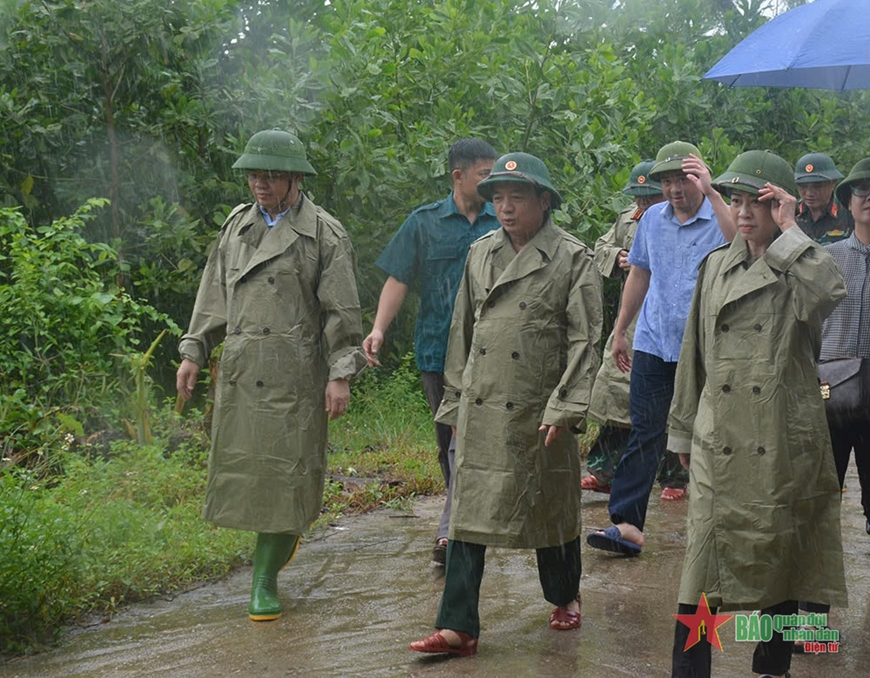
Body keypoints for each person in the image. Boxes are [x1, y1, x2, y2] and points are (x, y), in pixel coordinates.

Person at [408, 152, 602, 657]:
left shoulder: (572, 258)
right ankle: (458, 627)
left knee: (549, 505)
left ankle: (564, 594)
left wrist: (566, 406)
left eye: (517, 197)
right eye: (498, 198)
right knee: (468, 511)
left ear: (544, 201)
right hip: (483, 402)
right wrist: (454, 404)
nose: (506, 208)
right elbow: (462, 332)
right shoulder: (481, 254)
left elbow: (585, 341)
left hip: (541, 408)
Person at [668, 150, 848, 677]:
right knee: (701, 566)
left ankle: (773, 665)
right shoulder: (716, 265)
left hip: (780, 436)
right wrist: (682, 431)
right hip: (718, 435)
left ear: (780, 207)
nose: (744, 213)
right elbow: (694, 353)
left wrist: (791, 231)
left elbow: (830, 291)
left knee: (778, 556)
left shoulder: (800, 264)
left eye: (758, 202)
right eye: (737, 201)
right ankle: (689, 671)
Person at [176, 129, 367, 622]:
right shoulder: (236, 226)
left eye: (272, 175)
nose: (261, 184)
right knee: (249, 473)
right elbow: (214, 295)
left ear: (295, 179)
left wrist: (340, 374)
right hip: (243, 371)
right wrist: (194, 351)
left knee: (287, 476)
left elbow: (341, 312)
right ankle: (272, 554)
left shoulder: (324, 234)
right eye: (254, 175)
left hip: (294, 376)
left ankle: (264, 579)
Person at [586, 141, 734, 557]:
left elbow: (742, 247)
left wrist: (714, 192)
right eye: (667, 182)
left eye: (682, 180)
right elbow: (640, 273)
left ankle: (722, 524)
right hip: (653, 342)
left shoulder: (719, 216)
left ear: (699, 179)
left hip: (703, 349)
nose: (674, 189)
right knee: (645, 431)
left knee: (712, 434)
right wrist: (621, 330)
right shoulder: (651, 219)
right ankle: (627, 524)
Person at [363, 138, 499, 566]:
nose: (493, 182)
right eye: (485, 175)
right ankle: (461, 519)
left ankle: (453, 530)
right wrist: (378, 329)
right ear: (458, 176)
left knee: (473, 439)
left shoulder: (503, 218)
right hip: (438, 348)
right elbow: (398, 279)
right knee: (448, 441)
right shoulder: (424, 223)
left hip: (493, 349)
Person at [584, 160, 688, 500]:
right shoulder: (628, 219)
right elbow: (600, 247)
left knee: (672, 400)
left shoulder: (684, 219)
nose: (643, 203)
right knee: (615, 393)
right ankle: (604, 470)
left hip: (671, 318)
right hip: (632, 319)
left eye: (649, 196)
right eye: (638, 197)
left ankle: (674, 478)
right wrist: (618, 256)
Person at [822, 158, 870, 531]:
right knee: (820, 495)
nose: (869, 197)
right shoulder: (826, 258)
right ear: (849, 203)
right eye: (861, 190)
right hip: (829, 391)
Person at [794, 152, 853, 244]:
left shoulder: (849, 212)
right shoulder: (791, 213)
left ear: (833, 183)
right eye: (803, 186)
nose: (809, 193)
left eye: (817, 186)